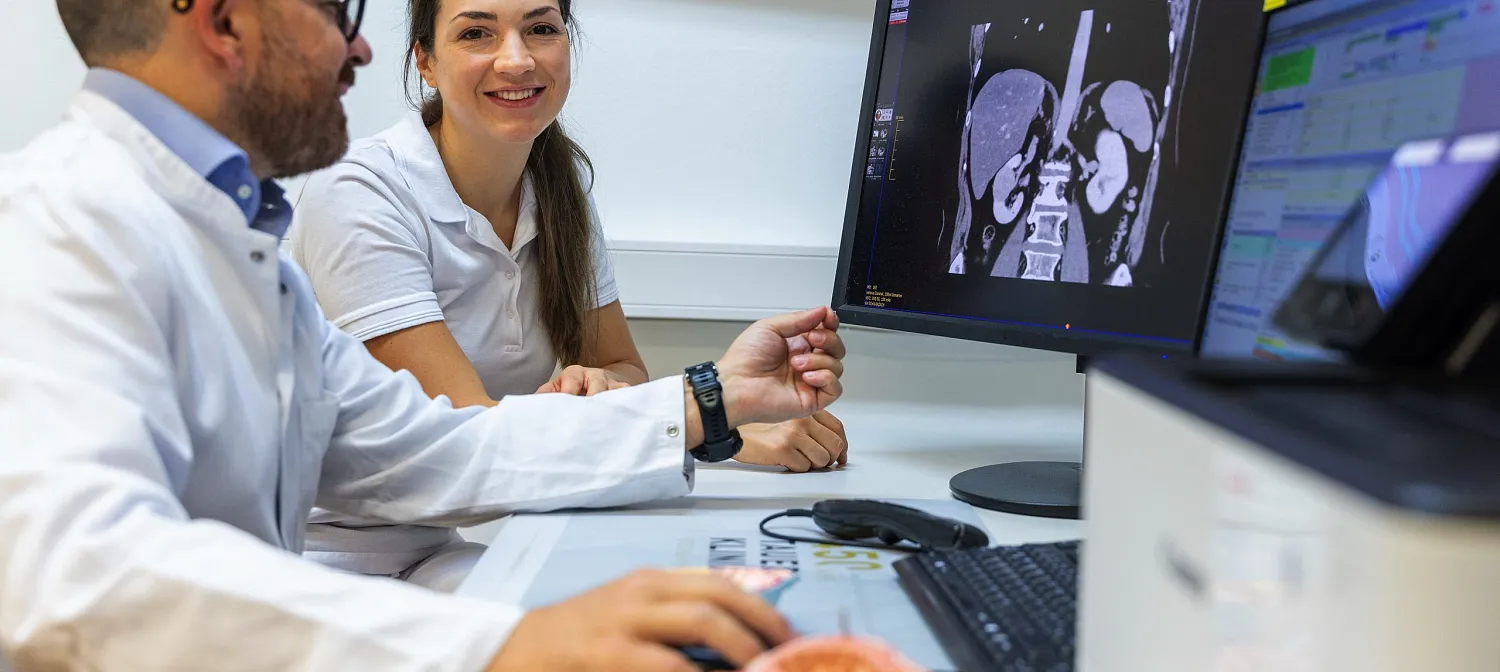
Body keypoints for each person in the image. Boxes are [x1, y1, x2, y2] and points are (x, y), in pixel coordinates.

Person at [0, 0, 845, 669]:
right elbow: (74, 576)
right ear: (224, 22)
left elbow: (437, 448)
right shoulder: (55, 223)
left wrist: (711, 398)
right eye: (336, 9)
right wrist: (495, 649)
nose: (358, 50)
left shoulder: (238, 251)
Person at [285, 0, 850, 590]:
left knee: (655, 610)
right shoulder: (359, 193)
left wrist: (606, 391)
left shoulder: (557, 187)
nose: (517, 59)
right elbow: (464, 445)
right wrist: (711, 415)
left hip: (431, 544)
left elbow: (619, 367)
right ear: (424, 60)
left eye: (541, 29)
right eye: (476, 33)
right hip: (312, 559)